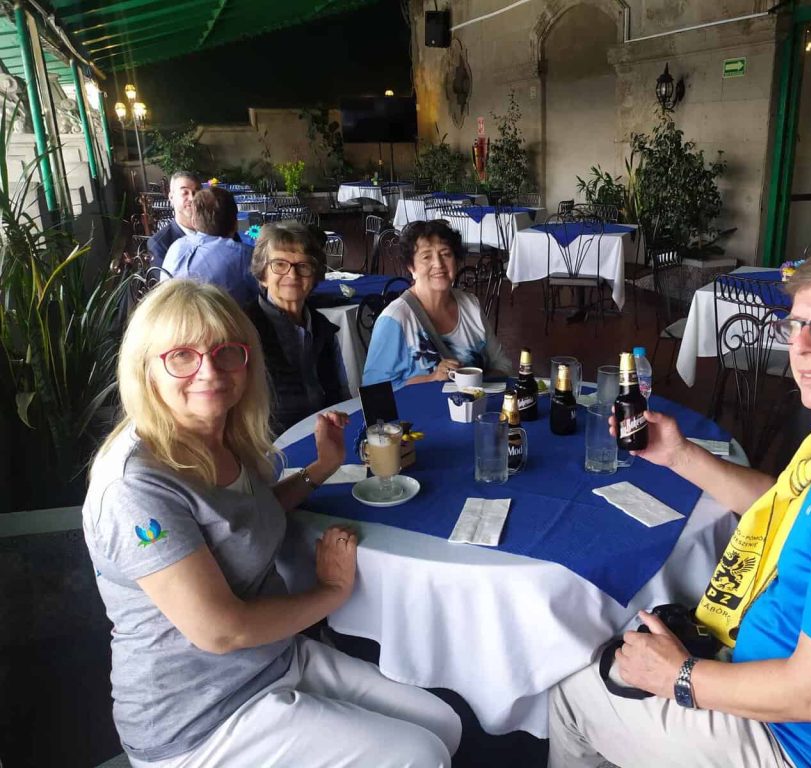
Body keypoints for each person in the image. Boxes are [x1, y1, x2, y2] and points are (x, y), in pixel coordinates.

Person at [548, 243, 811, 768]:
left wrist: (680, 676)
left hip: (798, 744)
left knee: (570, 693)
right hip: (770, 681)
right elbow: (787, 509)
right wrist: (679, 455)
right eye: (796, 325)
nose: (804, 346)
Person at [83, 280, 461, 767]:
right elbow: (220, 632)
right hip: (197, 719)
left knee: (442, 724)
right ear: (146, 369)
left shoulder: (221, 434)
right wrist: (331, 591)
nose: (209, 371)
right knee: (418, 755)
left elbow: (243, 520)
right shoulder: (135, 487)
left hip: (272, 660)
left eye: (226, 352)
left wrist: (320, 469)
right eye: (182, 356)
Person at [362, 220, 513, 388]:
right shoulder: (395, 319)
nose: (439, 264)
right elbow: (373, 389)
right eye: (427, 257)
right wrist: (431, 378)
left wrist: (475, 381)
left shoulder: (471, 305)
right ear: (411, 267)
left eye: (446, 254)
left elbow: (503, 365)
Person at [245, 220, 348, 434]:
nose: (292, 275)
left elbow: (340, 395)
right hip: (270, 444)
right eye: (279, 265)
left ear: (315, 275)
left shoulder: (323, 328)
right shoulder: (244, 330)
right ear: (263, 275)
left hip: (325, 436)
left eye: (303, 266)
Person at [163, 186, 258, 306]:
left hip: (168, 315)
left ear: (194, 222)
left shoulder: (175, 246)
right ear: (235, 224)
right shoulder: (244, 255)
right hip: (221, 318)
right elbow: (267, 295)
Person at [147, 171, 200, 267]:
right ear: (171, 197)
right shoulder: (160, 243)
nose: (192, 198)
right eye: (185, 193)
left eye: (196, 192)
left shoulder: (215, 230)